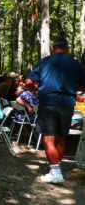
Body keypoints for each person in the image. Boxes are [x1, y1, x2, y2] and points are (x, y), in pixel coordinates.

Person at [28, 38, 85, 183]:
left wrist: (35, 89)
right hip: (67, 104)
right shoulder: (75, 63)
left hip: (48, 102)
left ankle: (55, 173)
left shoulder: (44, 61)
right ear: (67, 49)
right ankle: (56, 168)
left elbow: (29, 82)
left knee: (48, 138)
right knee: (61, 137)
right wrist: (73, 90)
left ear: (53, 48)